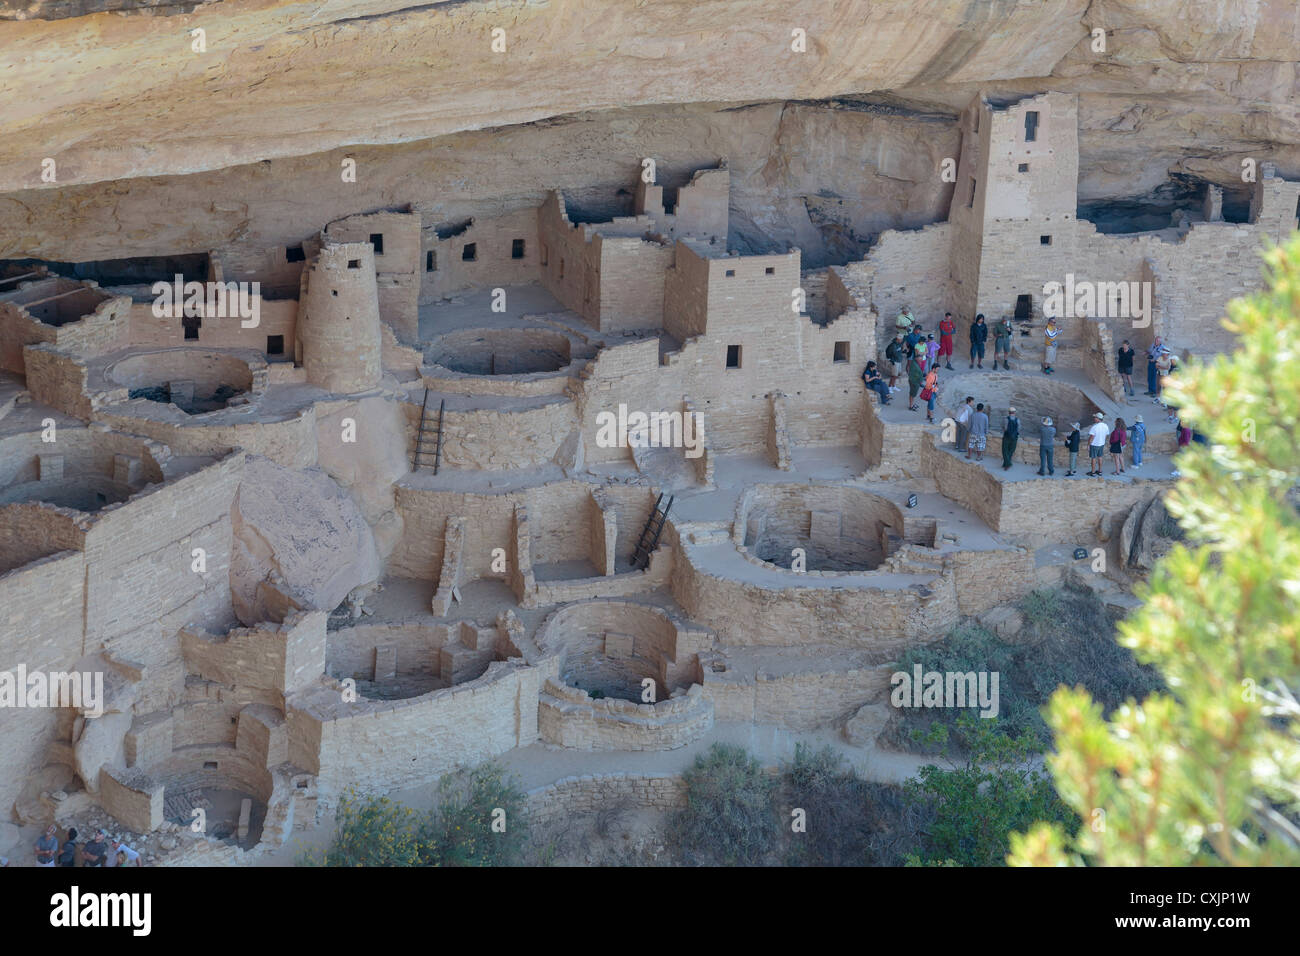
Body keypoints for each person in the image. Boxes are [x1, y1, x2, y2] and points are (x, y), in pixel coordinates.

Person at [1087, 412, 1109, 476]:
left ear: (1098, 419)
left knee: (1093, 458)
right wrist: (1102, 441)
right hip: (1101, 444)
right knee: (1100, 457)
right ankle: (1100, 471)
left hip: (1094, 445)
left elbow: (1091, 437)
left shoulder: (1095, 427)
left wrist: (1088, 445)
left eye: (1095, 417)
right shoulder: (1105, 426)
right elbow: (1106, 435)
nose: (1094, 419)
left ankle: (1093, 472)